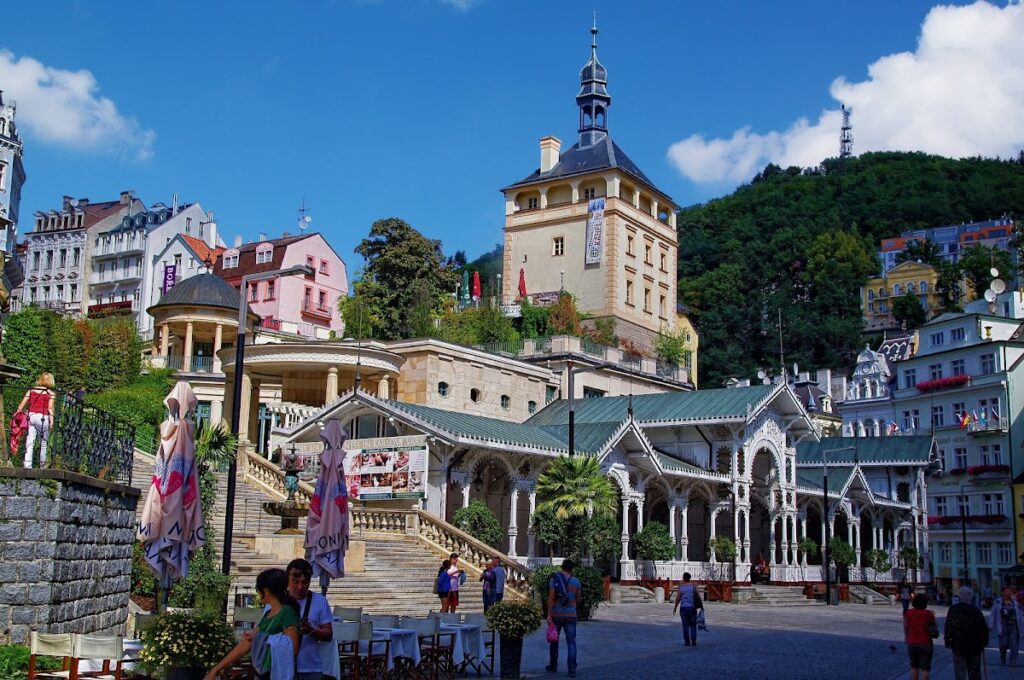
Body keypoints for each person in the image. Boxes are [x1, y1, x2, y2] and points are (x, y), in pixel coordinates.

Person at [205, 568, 300, 680]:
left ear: (267, 591)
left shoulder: (286, 612)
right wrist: (216, 669)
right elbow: (247, 643)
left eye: (258, 589)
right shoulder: (268, 613)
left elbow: (292, 648)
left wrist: (264, 639)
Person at [280, 559, 333, 680]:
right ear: (287, 578)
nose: (300, 587)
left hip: (310, 667)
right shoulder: (277, 601)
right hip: (281, 666)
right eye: (295, 582)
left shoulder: (320, 601)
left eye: (305, 582)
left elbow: (329, 633)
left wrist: (312, 631)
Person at [944, 586, 990, 680]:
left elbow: (948, 626)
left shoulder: (953, 610)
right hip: (974, 646)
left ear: (960, 596)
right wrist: (984, 642)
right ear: (971, 596)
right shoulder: (976, 610)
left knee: (960, 672)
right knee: (975, 672)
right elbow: (983, 628)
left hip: (958, 645)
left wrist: (948, 641)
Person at [546, 559, 581, 678]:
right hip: (571, 615)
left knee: (554, 641)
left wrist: (549, 614)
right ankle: (572, 669)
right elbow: (578, 599)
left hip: (557, 614)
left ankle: (553, 665)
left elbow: (551, 598)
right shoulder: (576, 582)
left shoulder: (555, 579)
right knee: (571, 642)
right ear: (572, 569)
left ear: (562, 567)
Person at [15, 373, 55, 468]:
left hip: (31, 416)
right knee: (44, 442)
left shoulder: (31, 390)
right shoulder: (51, 394)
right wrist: (52, 420)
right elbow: (50, 408)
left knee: (30, 441)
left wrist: (17, 413)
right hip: (43, 417)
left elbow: (22, 404)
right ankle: (42, 465)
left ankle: (27, 465)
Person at [904, 594, 938, 680]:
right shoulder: (928, 614)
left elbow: (906, 626)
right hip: (926, 643)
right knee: (925, 668)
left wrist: (906, 637)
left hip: (912, 642)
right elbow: (934, 627)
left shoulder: (909, 613)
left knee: (914, 666)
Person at [991, 586, 1024, 666]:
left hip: (1014, 627)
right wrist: (991, 624)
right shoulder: (998, 602)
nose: (1008, 593)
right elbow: (993, 614)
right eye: (1006, 591)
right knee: (1003, 645)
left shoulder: (1015, 602)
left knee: (1014, 646)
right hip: (1003, 626)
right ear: (1002, 593)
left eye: (1009, 591)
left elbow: (1020, 614)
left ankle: (1013, 661)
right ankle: (1003, 657)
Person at [672, 572, 703, 647]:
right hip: (692, 608)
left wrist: (675, 607)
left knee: (685, 625)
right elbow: (698, 596)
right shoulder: (693, 586)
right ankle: (694, 641)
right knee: (693, 625)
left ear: (684, 578)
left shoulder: (681, 587)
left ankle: (687, 642)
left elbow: (678, 598)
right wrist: (701, 605)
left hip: (683, 608)